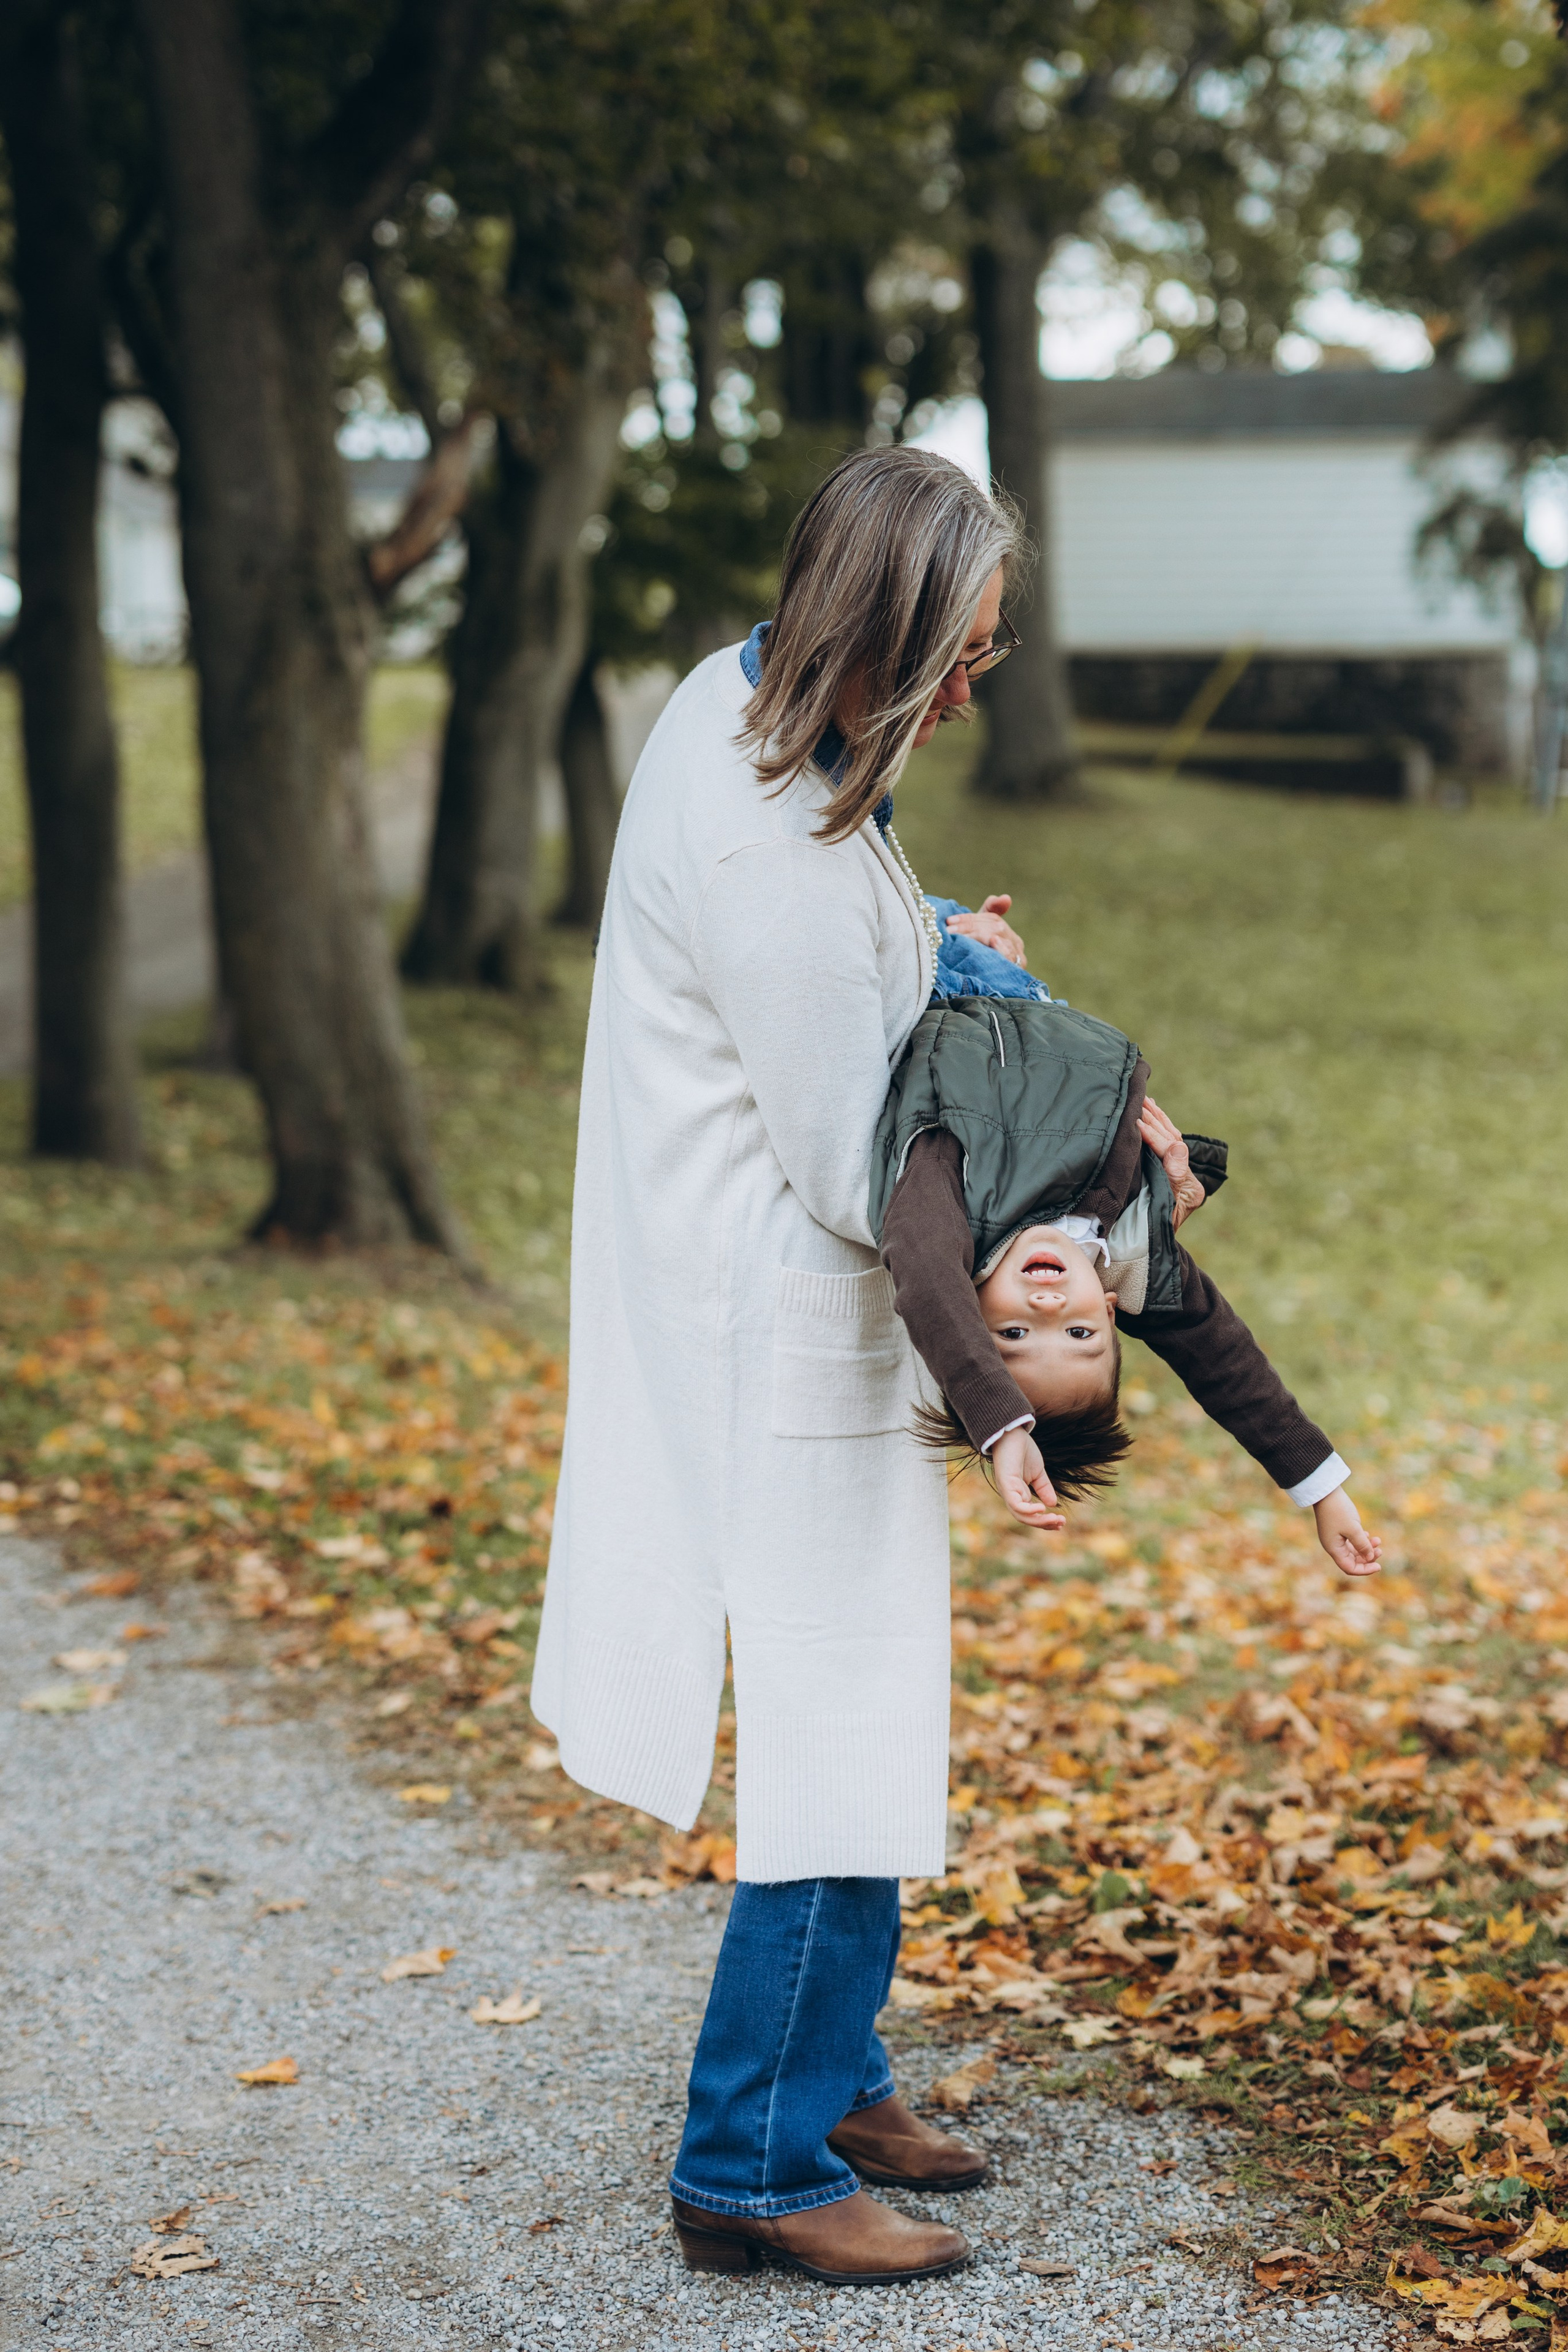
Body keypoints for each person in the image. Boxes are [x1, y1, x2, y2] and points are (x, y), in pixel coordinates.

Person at [532, 446, 1030, 2287]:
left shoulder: (746, 701)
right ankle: (745, 2157)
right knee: (837, 1719)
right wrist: (1004, 1089)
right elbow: (851, 1162)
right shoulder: (777, 843)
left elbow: (855, 971)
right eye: (959, 653)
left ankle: (835, 2071)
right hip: (774, 1320)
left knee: (867, 1696)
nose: (973, 687)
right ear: (883, 637)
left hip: (751, 1294)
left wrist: (939, 953)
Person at [872, 992, 1382, 1577]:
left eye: (1014, 1331)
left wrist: (1001, 1425)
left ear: (967, 1307)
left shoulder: (945, 1211)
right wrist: (1320, 1486)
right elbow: (1225, 1364)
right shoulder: (1130, 1260)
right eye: (1079, 1331)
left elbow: (926, 1277)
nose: (1049, 1304)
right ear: (1112, 1312)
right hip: (1028, 1003)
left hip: (956, 995)